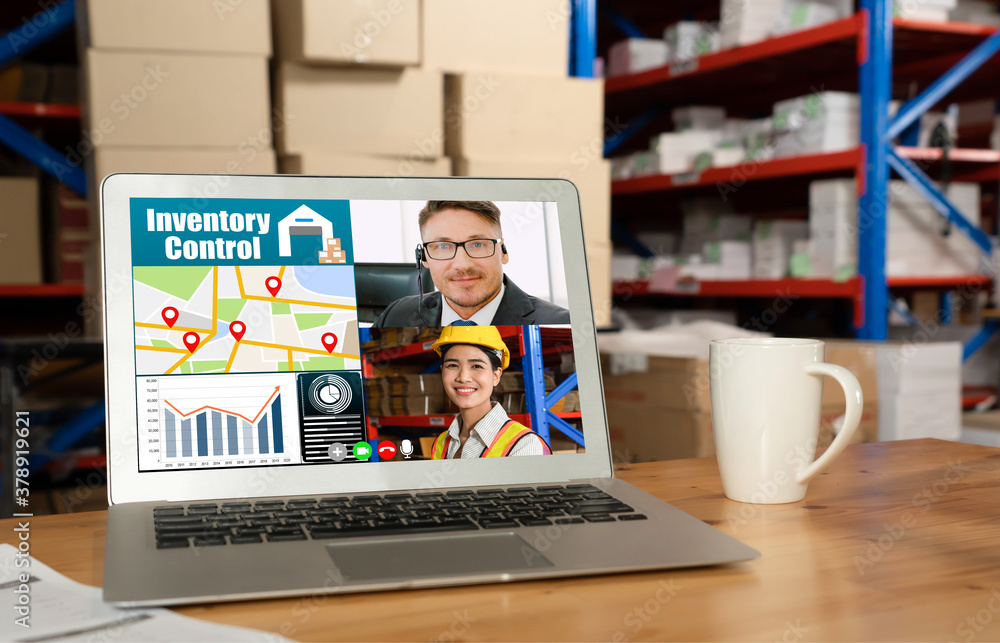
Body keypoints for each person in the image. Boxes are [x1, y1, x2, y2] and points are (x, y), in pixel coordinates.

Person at [372, 201, 570, 327]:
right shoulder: (396, 316)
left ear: (503, 251)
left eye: (477, 244)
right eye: (443, 246)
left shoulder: (560, 323)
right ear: (424, 258)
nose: (462, 264)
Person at [428, 325, 551, 458]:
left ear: (496, 376)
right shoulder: (441, 443)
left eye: (476, 366)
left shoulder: (524, 445)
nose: (463, 377)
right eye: (452, 365)